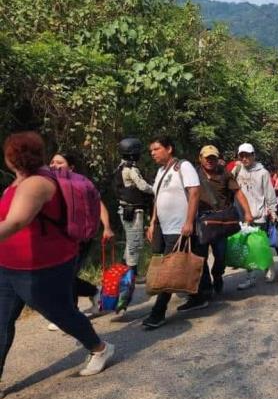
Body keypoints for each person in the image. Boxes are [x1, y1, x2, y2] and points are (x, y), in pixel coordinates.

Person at [0, 132, 115, 390]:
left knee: (61, 314)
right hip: (9, 266)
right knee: (1, 321)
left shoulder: (37, 183)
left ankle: (101, 348)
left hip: (43, 266)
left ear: (10, 158)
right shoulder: (18, 182)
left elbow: (17, 221)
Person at [143, 136, 208, 329]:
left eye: (156, 149)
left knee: (169, 269)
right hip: (163, 227)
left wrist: (189, 221)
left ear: (169, 148)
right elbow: (157, 198)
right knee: (181, 262)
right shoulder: (161, 171)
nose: (153, 153)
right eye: (151, 151)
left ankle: (158, 312)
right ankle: (199, 296)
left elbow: (195, 193)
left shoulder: (184, 167)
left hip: (179, 226)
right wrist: (153, 222)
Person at [48, 151, 113, 329]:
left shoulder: (81, 183)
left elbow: (98, 205)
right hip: (61, 238)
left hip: (80, 238)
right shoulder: (50, 182)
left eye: (59, 162)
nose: (54, 165)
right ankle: (95, 292)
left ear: (71, 167)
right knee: (64, 275)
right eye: (52, 162)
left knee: (66, 276)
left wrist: (106, 226)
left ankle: (70, 314)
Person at [195, 145, 253, 295]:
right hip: (201, 220)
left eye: (213, 158)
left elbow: (238, 192)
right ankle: (206, 287)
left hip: (220, 221)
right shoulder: (194, 174)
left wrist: (247, 212)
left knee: (220, 254)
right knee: (201, 256)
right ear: (200, 158)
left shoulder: (225, 173)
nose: (210, 161)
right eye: (207, 158)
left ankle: (218, 274)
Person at [231, 143, 278, 290]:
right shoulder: (238, 170)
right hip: (242, 216)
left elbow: (269, 193)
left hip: (258, 215)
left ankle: (269, 269)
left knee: (261, 245)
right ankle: (250, 277)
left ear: (253, 155)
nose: (245, 158)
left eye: (247, 155)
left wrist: (273, 211)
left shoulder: (263, 172)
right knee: (247, 248)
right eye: (242, 155)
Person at [113, 138, 153, 281]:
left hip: (125, 209)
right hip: (133, 211)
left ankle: (125, 272)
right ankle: (132, 275)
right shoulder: (131, 169)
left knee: (131, 240)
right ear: (132, 154)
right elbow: (142, 186)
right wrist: (156, 190)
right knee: (134, 242)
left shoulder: (120, 167)